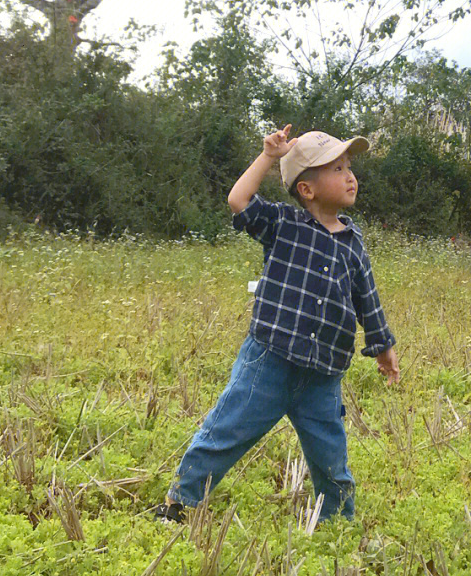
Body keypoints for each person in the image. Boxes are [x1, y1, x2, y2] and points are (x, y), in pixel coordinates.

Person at [153, 125, 400, 524]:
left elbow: (366, 300)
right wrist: (269, 156)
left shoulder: (354, 243)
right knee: (223, 434)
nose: (351, 176)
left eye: (349, 166)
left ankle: (337, 526)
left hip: (323, 376)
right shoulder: (283, 223)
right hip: (268, 362)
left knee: (332, 462)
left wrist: (383, 346)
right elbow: (238, 199)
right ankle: (179, 505)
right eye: (337, 169)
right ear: (307, 189)